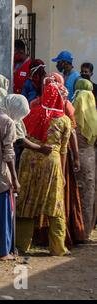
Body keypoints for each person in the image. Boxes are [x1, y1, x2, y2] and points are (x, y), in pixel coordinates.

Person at [17, 79, 72, 256]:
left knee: (26, 202)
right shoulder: (64, 120)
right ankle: (57, 248)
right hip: (51, 162)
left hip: (29, 161)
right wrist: (62, 174)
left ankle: (21, 245)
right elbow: (63, 149)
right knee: (55, 204)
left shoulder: (31, 113)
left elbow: (20, 137)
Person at [0, 94, 30, 260]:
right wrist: (14, 178)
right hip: (1, 171)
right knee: (4, 211)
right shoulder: (8, 122)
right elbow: (9, 153)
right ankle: (4, 249)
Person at [73, 79, 97, 240]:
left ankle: (75, 229)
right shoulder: (94, 116)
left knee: (75, 194)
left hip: (74, 158)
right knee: (89, 194)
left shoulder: (71, 112)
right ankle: (86, 232)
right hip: (90, 158)